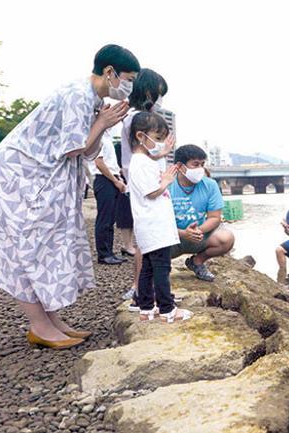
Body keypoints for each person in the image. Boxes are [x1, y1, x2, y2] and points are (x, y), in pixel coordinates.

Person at [0, 44, 139, 348]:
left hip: (38, 176)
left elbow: (86, 149)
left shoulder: (91, 99)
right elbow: (73, 148)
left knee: (45, 246)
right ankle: (39, 326)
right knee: (28, 246)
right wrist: (102, 123)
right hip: (18, 175)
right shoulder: (77, 94)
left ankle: (52, 320)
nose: (130, 86)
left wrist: (100, 123)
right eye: (128, 78)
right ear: (110, 72)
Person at [127, 111, 191, 323]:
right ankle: (167, 309)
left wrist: (162, 153)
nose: (159, 143)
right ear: (140, 136)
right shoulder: (140, 163)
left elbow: (151, 163)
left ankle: (146, 307)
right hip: (154, 225)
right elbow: (151, 191)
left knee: (148, 267)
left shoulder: (141, 160)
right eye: (157, 138)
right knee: (161, 267)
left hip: (150, 225)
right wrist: (165, 181)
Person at [119, 69, 171, 301]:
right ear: (147, 90)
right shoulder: (136, 119)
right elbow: (138, 160)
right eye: (158, 93)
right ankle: (141, 290)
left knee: (148, 242)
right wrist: (163, 157)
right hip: (146, 188)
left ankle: (144, 290)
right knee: (147, 242)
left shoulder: (142, 117)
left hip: (152, 185)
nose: (159, 98)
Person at [168, 144, 235, 281]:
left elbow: (215, 217)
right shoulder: (166, 185)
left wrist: (197, 231)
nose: (200, 169)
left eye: (202, 164)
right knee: (144, 248)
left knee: (226, 238)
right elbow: (157, 221)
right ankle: (139, 286)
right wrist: (183, 233)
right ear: (180, 166)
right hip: (171, 238)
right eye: (195, 164)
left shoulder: (210, 185)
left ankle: (197, 262)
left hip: (198, 236)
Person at [90, 129, 127, 264]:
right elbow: (99, 163)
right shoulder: (98, 137)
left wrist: (118, 179)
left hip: (112, 179)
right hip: (104, 179)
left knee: (110, 218)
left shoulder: (107, 137)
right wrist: (115, 180)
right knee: (104, 218)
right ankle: (104, 254)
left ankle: (109, 252)